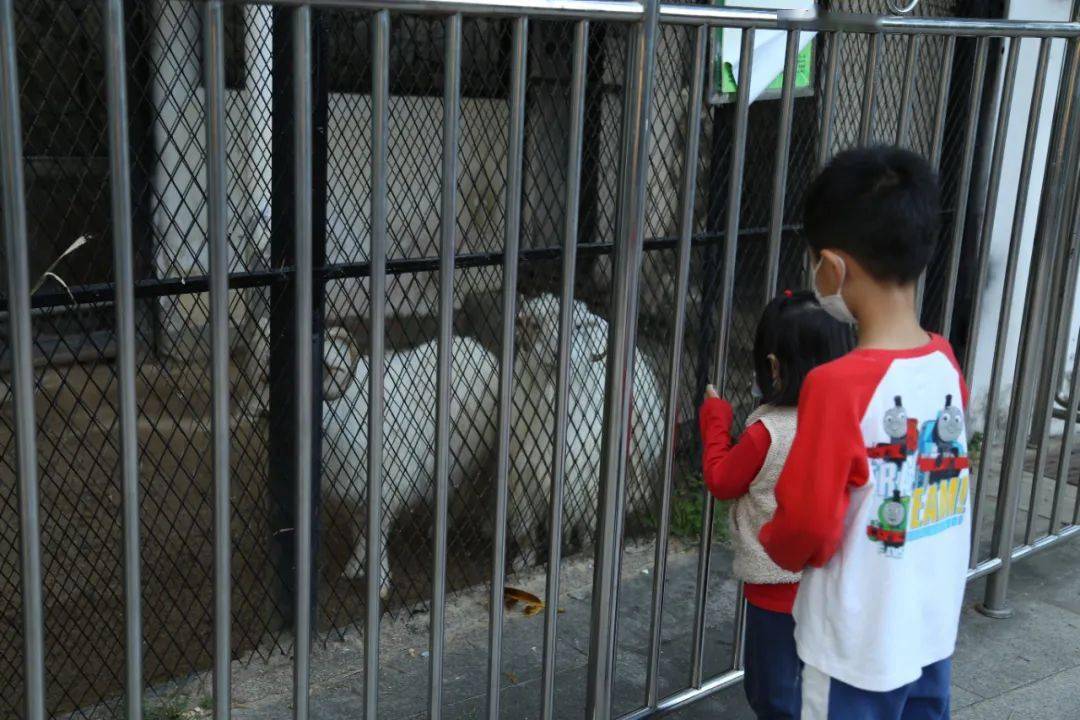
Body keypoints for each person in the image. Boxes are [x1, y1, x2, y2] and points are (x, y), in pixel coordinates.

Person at [759, 146, 971, 719]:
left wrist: (772, 541)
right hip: (929, 630)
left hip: (855, 644)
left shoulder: (835, 386)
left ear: (832, 267)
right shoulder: (945, 364)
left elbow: (807, 524)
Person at [699, 290, 854, 719]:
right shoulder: (849, 420)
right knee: (819, 679)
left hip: (774, 589)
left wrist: (714, 419)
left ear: (772, 367)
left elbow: (722, 480)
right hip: (831, 578)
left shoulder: (766, 432)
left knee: (771, 690)